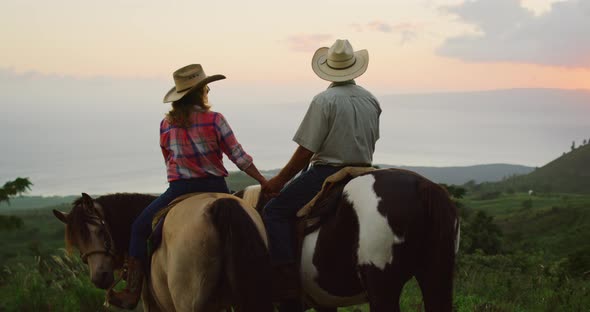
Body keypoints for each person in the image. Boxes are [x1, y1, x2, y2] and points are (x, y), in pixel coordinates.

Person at [108, 64, 268, 309]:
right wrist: (264, 182)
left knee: (139, 229)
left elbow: (168, 160)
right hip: (217, 187)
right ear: (202, 91)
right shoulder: (215, 119)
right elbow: (239, 156)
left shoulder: (166, 124)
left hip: (180, 189)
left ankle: (131, 292)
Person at [262, 39, 381, 311]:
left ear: (329, 69)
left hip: (328, 172)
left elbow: (305, 152)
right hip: (364, 172)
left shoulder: (324, 100)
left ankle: (286, 283)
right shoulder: (371, 99)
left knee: (274, 212)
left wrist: (278, 181)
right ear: (354, 68)